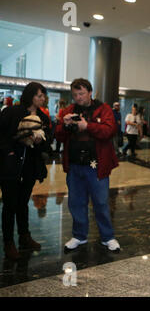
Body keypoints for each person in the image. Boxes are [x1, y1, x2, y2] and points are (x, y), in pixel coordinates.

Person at [55, 78, 120, 252]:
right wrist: (65, 125)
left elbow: (109, 131)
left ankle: (108, 237)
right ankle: (79, 235)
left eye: (82, 93)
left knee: (101, 202)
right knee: (76, 202)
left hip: (96, 165)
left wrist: (87, 126)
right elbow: (59, 136)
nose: (79, 97)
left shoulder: (104, 108)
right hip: (75, 164)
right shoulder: (69, 110)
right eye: (75, 94)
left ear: (90, 92)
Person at [0, 82, 50, 260]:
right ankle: (8, 242)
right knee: (9, 205)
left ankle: (24, 236)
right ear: (30, 96)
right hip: (10, 165)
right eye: (39, 96)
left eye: (43, 96)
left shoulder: (43, 118)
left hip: (29, 167)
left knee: (22, 203)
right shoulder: (11, 112)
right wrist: (9, 151)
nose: (42, 99)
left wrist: (39, 142)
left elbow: (47, 142)